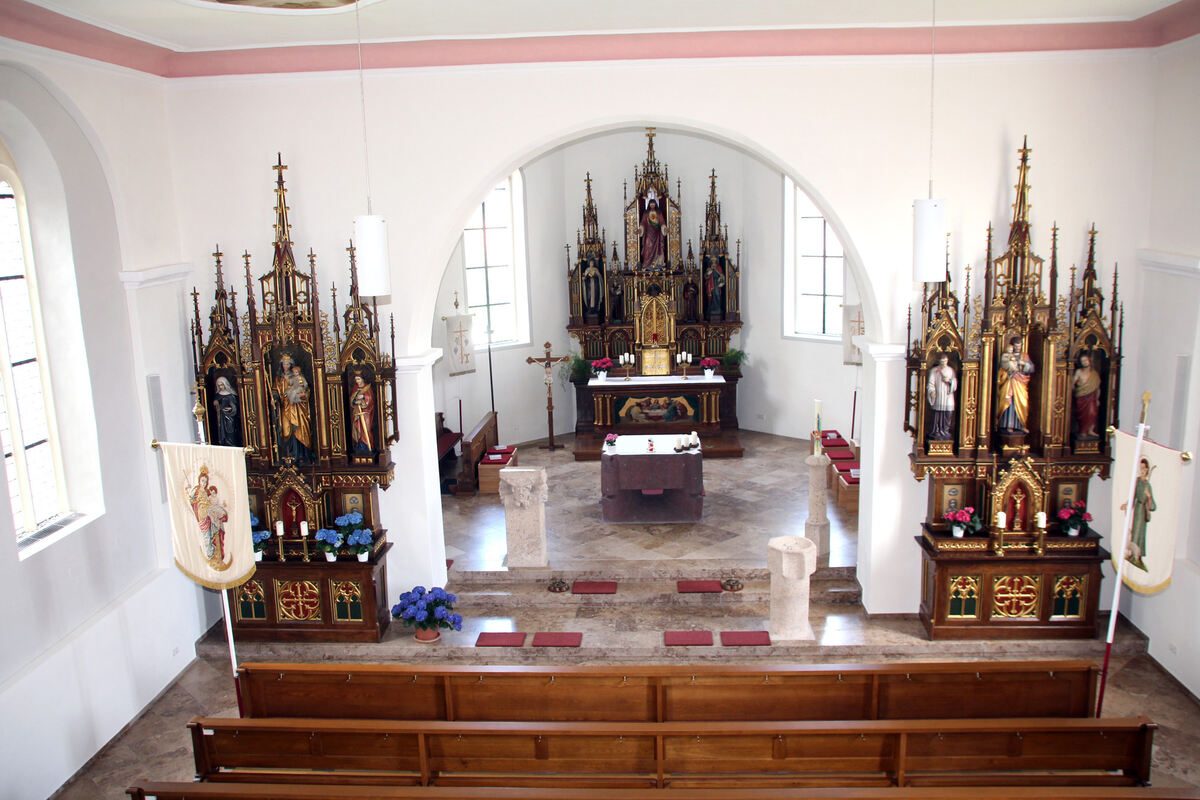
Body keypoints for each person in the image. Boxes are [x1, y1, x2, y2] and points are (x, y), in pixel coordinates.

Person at [275, 354, 313, 463]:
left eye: (288, 364)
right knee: (287, 429)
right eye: (284, 364)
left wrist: (303, 395)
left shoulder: (297, 377)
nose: (286, 366)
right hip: (285, 407)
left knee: (300, 428)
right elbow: (275, 391)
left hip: (298, 407)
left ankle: (301, 455)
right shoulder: (279, 378)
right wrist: (275, 398)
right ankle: (289, 455)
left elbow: (306, 389)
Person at [1121, 458, 1156, 571]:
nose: (1142, 470)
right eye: (1140, 468)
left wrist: (1149, 496)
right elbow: (1133, 495)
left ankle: (1139, 557)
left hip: (1143, 511)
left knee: (1141, 533)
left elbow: (1153, 506)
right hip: (1137, 510)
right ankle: (1132, 554)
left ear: (1147, 469)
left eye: (1144, 468)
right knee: (1135, 531)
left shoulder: (1148, 485)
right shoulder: (1137, 482)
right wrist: (1127, 504)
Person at [996, 337, 1035, 433]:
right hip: (1010, 382)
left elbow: (1031, 368)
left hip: (1020, 383)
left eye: (1020, 346)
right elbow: (1001, 369)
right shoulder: (1007, 356)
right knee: (1009, 402)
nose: (1018, 348)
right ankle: (1007, 425)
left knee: (1022, 402)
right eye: (1016, 346)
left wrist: (1024, 364)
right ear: (1012, 346)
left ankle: (1021, 425)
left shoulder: (1024, 356)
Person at [926, 354, 957, 440]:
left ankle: (945, 431)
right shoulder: (934, 371)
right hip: (939, 395)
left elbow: (954, 382)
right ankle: (936, 431)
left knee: (948, 413)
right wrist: (932, 391)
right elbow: (930, 383)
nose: (944, 362)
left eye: (945, 361)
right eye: (942, 361)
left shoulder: (951, 370)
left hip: (948, 396)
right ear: (939, 361)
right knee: (937, 414)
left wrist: (949, 381)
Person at [1072, 353, 1101, 439]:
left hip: (1091, 397)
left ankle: (1090, 430)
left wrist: (1097, 399)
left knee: (1093, 413)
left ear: (1089, 361)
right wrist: (1076, 391)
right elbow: (1072, 383)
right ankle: (1082, 431)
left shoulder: (1094, 374)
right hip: (1081, 397)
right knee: (1082, 415)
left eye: (1085, 360)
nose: (1084, 362)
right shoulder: (1079, 372)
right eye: (1082, 361)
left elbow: (1097, 388)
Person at [349, 373, 376, 455]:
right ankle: (360, 444)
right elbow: (352, 399)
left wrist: (363, 397)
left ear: (362, 379)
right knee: (358, 428)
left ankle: (368, 445)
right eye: (356, 379)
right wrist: (355, 401)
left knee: (366, 429)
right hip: (357, 412)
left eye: (358, 379)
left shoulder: (367, 387)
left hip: (366, 412)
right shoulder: (355, 388)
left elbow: (371, 399)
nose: (357, 381)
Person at [212, 376, 242, 447]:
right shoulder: (217, 395)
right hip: (221, 417)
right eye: (219, 385)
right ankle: (224, 443)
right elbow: (214, 408)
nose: (220, 387)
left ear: (225, 384)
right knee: (222, 432)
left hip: (230, 417)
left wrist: (231, 409)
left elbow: (236, 406)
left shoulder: (231, 394)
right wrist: (216, 404)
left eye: (222, 385)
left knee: (230, 431)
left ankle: (232, 444)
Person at [639, 196, 666, 268]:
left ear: (655, 204)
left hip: (657, 234)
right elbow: (643, 222)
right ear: (649, 204)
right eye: (651, 203)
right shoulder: (646, 213)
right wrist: (641, 229)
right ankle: (647, 263)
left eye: (653, 203)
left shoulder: (659, 213)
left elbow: (662, 222)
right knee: (647, 248)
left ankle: (657, 263)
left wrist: (664, 228)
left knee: (658, 248)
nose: (652, 205)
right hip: (648, 233)